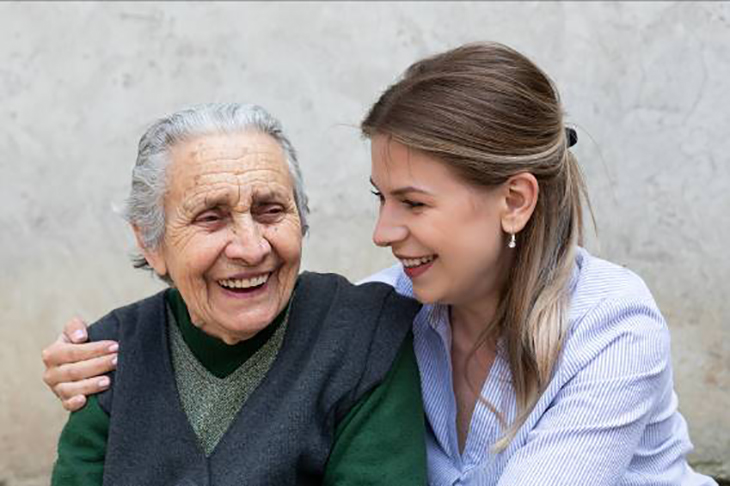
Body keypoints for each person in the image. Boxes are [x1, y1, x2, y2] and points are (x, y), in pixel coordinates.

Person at [43, 43, 716, 485]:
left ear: (514, 200)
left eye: (413, 203)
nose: (382, 231)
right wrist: (91, 362)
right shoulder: (388, 314)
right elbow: (287, 322)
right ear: (150, 242)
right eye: (380, 198)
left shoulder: (612, 331)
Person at [47, 103, 427, 485]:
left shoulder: (363, 337)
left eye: (270, 210)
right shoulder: (108, 356)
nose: (251, 248)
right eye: (211, 217)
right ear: (151, 242)